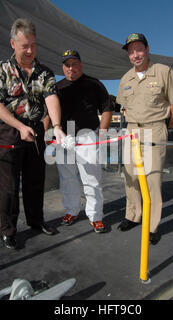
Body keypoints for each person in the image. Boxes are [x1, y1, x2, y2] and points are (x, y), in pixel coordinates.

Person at [0, 18, 66, 250]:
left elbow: (51, 97)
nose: (30, 50)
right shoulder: (0, 70)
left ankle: (35, 220)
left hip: (37, 130)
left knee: (35, 180)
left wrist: (58, 126)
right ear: (13, 43)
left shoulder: (44, 72)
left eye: (33, 45)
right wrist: (20, 127)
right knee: (10, 185)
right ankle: (8, 230)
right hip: (11, 130)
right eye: (24, 46)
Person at [116, 33, 173, 245]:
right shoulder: (125, 78)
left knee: (153, 180)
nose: (135, 55)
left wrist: (165, 125)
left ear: (147, 50)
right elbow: (124, 106)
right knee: (131, 178)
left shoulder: (163, 72)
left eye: (139, 49)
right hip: (132, 131)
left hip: (155, 130)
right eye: (131, 51)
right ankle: (133, 215)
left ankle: (152, 225)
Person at [45, 49, 114, 233]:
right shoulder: (57, 88)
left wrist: (103, 134)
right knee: (67, 178)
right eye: (67, 65)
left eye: (74, 64)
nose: (71, 68)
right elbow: (47, 113)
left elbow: (107, 109)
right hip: (63, 138)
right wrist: (46, 135)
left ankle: (95, 216)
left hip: (88, 136)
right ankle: (72, 210)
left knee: (92, 179)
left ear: (81, 64)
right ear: (63, 67)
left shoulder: (95, 84)